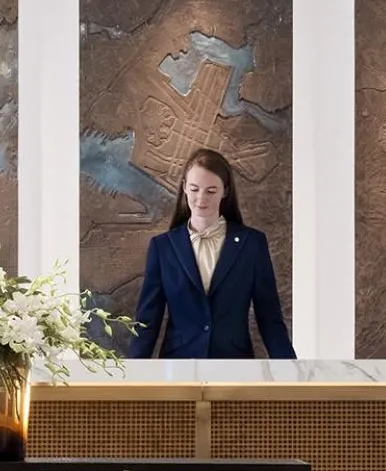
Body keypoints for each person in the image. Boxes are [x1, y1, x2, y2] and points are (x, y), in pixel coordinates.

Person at [125, 147, 294, 360]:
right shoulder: (163, 247)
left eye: (211, 191)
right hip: (178, 368)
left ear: (225, 190)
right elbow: (147, 322)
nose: (201, 198)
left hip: (235, 366)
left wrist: (291, 373)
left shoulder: (252, 244)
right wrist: (132, 378)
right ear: (184, 188)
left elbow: (270, 318)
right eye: (194, 189)